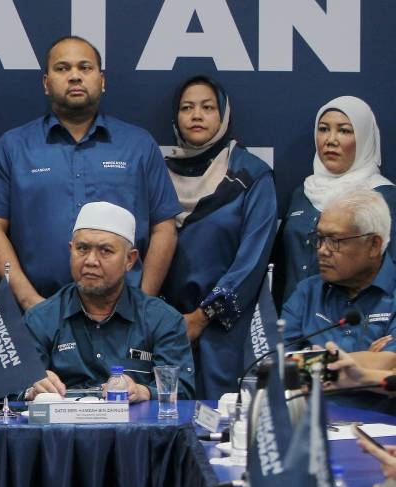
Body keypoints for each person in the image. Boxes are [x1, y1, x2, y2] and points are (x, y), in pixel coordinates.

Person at [0, 36, 181, 311]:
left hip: (125, 314)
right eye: (62, 68)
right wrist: (29, 301)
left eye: (85, 68)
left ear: (102, 80)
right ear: (46, 83)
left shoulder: (138, 145)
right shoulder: (13, 147)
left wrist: (142, 304)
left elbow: (164, 229)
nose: (74, 76)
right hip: (39, 311)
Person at [160, 76, 277, 399]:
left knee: (220, 430)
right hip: (168, 330)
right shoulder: (157, 174)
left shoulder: (250, 174)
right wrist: (161, 320)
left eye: (208, 107)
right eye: (187, 108)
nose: (197, 115)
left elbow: (252, 260)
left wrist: (202, 316)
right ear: (176, 118)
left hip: (225, 329)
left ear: (223, 115)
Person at [24, 201, 195, 401]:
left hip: (136, 430)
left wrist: (144, 392)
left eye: (105, 250)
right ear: (70, 250)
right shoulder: (40, 319)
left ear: (129, 260)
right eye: (82, 248)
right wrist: (32, 389)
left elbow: (182, 390)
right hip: (62, 431)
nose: (91, 261)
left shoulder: (161, 320)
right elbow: (13, 393)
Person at [282, 189, 396, 410]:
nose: (322, 251)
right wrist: (370, 364)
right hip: (311, 427)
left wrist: (312, 361)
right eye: (320, 238)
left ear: (373, 245)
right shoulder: (307, 291)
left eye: (335, 241)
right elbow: (277, 368)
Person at [276, 96, 396, 303]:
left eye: (344, 130)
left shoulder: (382, 196)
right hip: (291, 323)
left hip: (348, 325)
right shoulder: (302, 193)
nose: (331, 139)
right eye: (323, 129)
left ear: (365, 138)